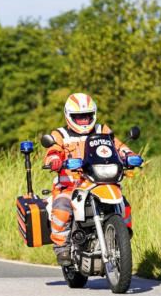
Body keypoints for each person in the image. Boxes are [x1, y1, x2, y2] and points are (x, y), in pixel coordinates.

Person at [42, 93, 141, 267]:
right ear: (69, 116)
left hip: (99, 181)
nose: (83, 120)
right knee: (63, 206)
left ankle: (122, 238)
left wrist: (130, 155)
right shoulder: (60, 134)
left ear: (93, 114)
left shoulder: (102, 130)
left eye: (87, 116)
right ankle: (62, 247)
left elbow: (117, 146)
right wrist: (54, 160)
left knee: (123, 204)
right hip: (70, 186)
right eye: (79, 117)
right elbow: (52, 151)